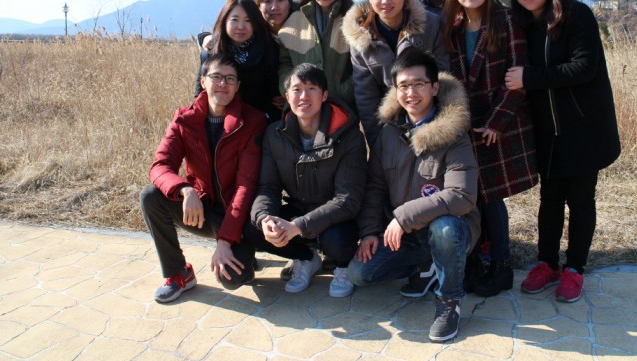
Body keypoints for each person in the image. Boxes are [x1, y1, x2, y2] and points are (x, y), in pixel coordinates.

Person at [504, 0, 621, 303]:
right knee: (550, 199)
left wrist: (530, 77)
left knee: (581, 199)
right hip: (546, 132)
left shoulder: (575, 14)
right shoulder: (520, 24)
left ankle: (575, 268)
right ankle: (546, 263)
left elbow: (584, 67)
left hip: (583, 128)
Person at [348, 48, 480, 343]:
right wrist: (369, 231)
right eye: (404, 86)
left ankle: (449, 300)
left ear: (434, 88)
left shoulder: (454, 133)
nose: (411, 93)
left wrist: (403, 217)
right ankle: (427, 266)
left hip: (451, 230)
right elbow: (375, 187)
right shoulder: (388, 133)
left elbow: (462, 195)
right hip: (406, 236)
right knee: (360, 273)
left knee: (445, 228)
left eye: (419, 84)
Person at [443, 0, 538, 297]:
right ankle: (472, 263)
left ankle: (502, 264)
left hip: (499, 124)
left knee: (492, 195)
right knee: (471, 195)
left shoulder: (506, 21)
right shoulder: (452, 27)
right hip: (465, 125)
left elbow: (517, 76)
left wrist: (496, 122)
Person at [141, 54, 267, 303]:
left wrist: (225, 240)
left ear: (238, 86)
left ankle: (245, 255)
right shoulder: (184, 119)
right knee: (150, 196)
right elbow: (160, 166)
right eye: (216, 77)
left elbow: (245, 185)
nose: (223, 84)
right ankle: (179, 274)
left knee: (231, 277)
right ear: (203, 81)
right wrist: (185, 190)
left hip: (236, 215)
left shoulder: (252, 121)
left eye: (230, 79)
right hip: (201, 209)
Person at [246, 63, 367, 297]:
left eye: (311, 89)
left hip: (337, 217)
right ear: (287, 96)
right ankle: (306, 259)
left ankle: (342, 266)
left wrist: (298, 227)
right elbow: (268, 187)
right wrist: (264, 219)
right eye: (297, 89)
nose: (304, 96)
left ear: (324, 95)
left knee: (337, 240)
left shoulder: (349, 136)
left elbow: (348, 200)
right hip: (299, 207)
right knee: (252, 228)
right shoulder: (274, 134)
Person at [343, 0, 449, 145]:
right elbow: (366, 97)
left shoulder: (431, 24)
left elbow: (443, 76)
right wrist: (377, 144)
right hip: (389, 123)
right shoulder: (360, 37)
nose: (386, 1)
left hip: (429, 116)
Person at [277, 0, 355, 109]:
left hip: (341, 108)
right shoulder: (294, 21)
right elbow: (284, 64)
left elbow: (362, 66)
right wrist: (289, 88)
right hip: (302, 109)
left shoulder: (353, 19)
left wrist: (343, 90)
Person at [194, 0, 283, 122]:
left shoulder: (269, 50)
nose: (241, 26)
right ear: (224, 20)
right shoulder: (211, 52)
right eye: (234, 20)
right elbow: (200, 94)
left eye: (248, 20)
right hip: (220, 123)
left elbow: (275, 96)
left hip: (257, 123)